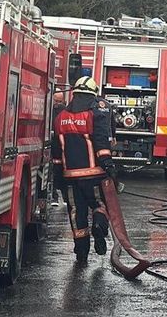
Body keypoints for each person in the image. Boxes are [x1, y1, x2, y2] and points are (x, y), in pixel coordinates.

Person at [51, 76, 117, 264]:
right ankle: (98, 226)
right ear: (92, 95)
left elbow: (56, 151)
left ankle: (81, 252)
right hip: (94, 175)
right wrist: (109, 167)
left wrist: (57, 176)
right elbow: (102, 143)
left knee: (76, 212)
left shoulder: (60, 117)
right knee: (100, 205)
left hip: (70, 176)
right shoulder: (94, 115)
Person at [50, 91, 66, 206]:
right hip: (56, 146)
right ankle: (57, 196)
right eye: (56, 101)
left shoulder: (63, 111)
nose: (58, 104)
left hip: (59, 146)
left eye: (60, 101)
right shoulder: (50, 110)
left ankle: (60, 196)